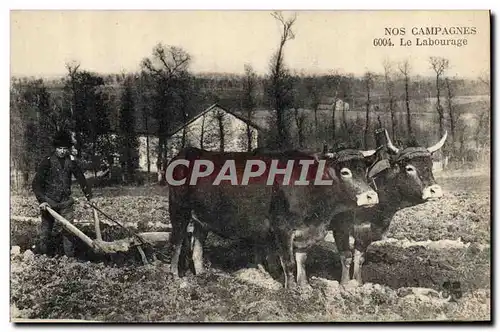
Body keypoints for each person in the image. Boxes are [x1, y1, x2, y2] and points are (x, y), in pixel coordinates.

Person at [32, 130, 93, 257]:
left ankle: (69, 258)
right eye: (60, 148)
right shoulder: (47, 161)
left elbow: (81, 179)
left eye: (65, 148)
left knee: (69, 231)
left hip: (66, 202)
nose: (62, 151)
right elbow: (36, 184)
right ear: (55, 148)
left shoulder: (71, 162)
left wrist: (89, 197)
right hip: (49, 202)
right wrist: (41, 200)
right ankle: (43, 256)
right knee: (46, 231)